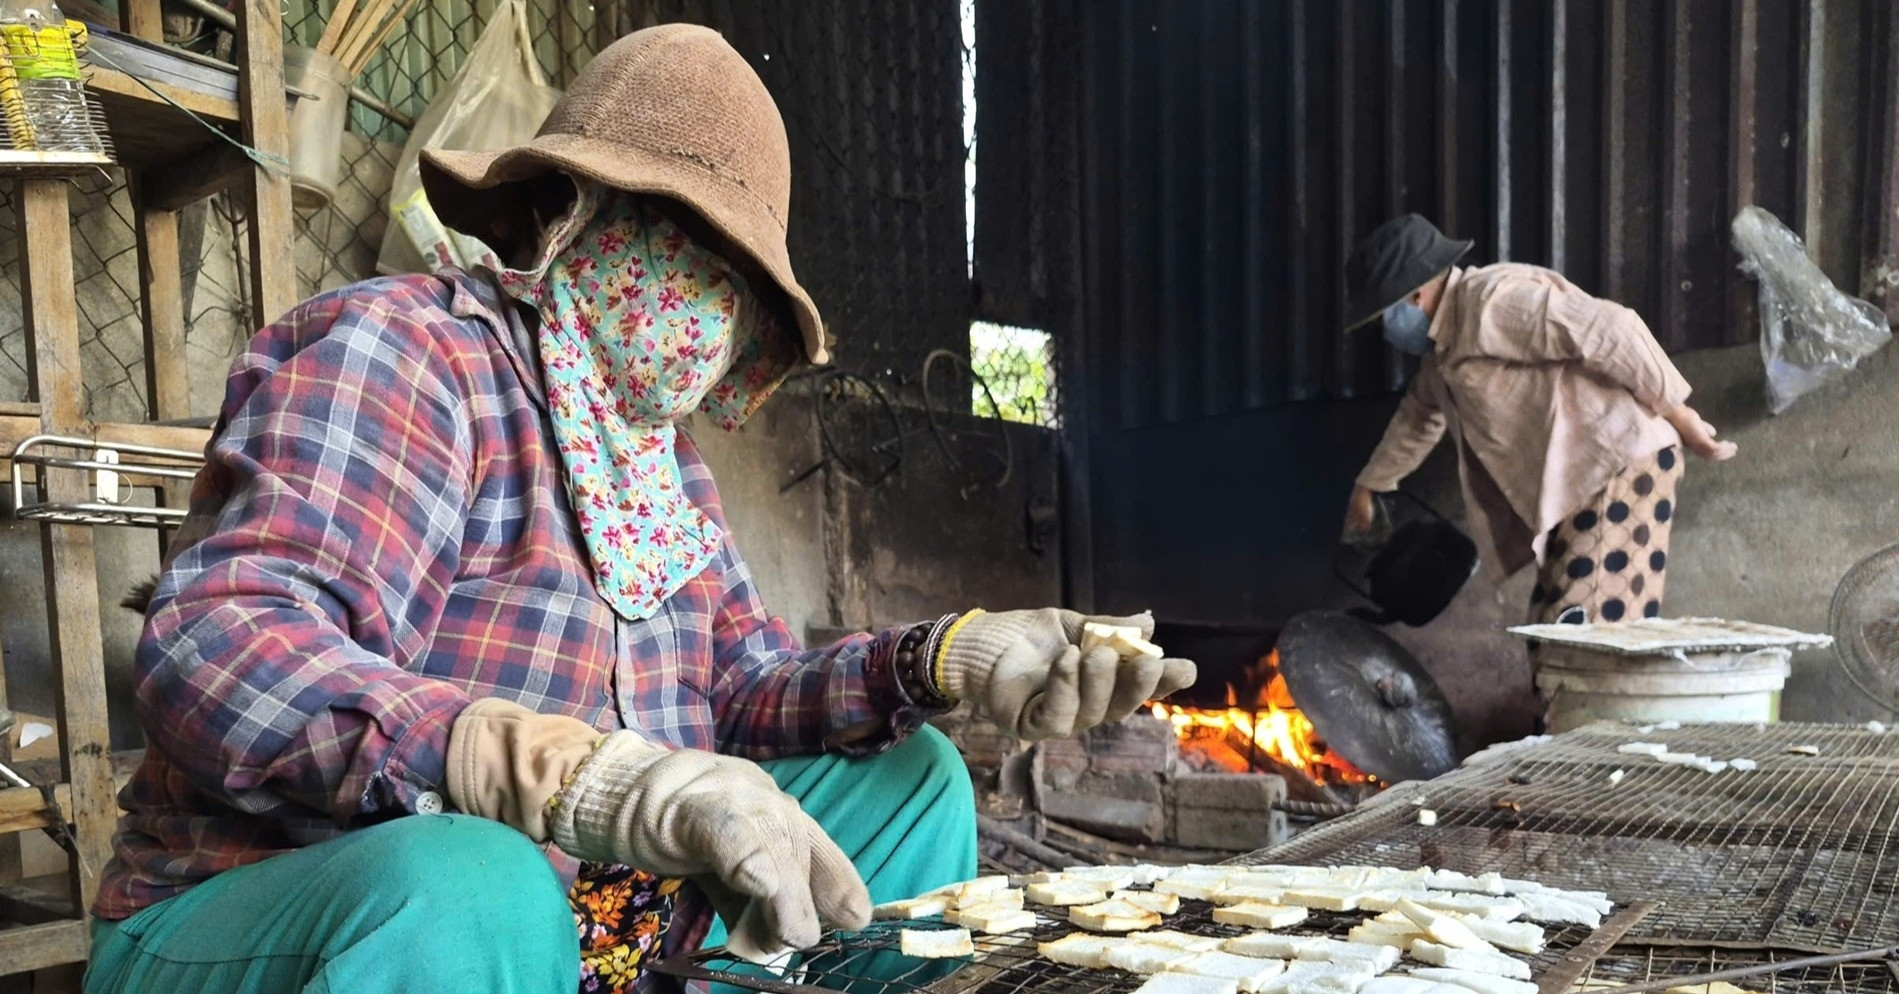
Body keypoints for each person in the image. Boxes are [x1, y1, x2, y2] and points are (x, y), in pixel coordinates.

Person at [85, 25, 1195, 994]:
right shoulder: (407, 352)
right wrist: (563, 771)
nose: (708, 305)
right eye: (681, 243)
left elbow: (742, 692)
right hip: (304, 915)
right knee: (472, 879)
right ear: (569, 211)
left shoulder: (660, 470)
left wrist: (945, 659)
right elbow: (222, 647)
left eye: (736, 282)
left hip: (592, 934)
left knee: (910, 784)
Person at [1340, 214, 1738, 626]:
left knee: (1588, 634)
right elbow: (1418, 417)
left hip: (1616, 468)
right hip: (1577, 491)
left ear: (1414, 295)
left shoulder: (1488, 302)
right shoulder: (1443, 355)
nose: (1385, 332)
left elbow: (1610, 328)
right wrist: (1368, 487)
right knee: (1551, 635)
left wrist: (1678, 411)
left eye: (1382, 319)